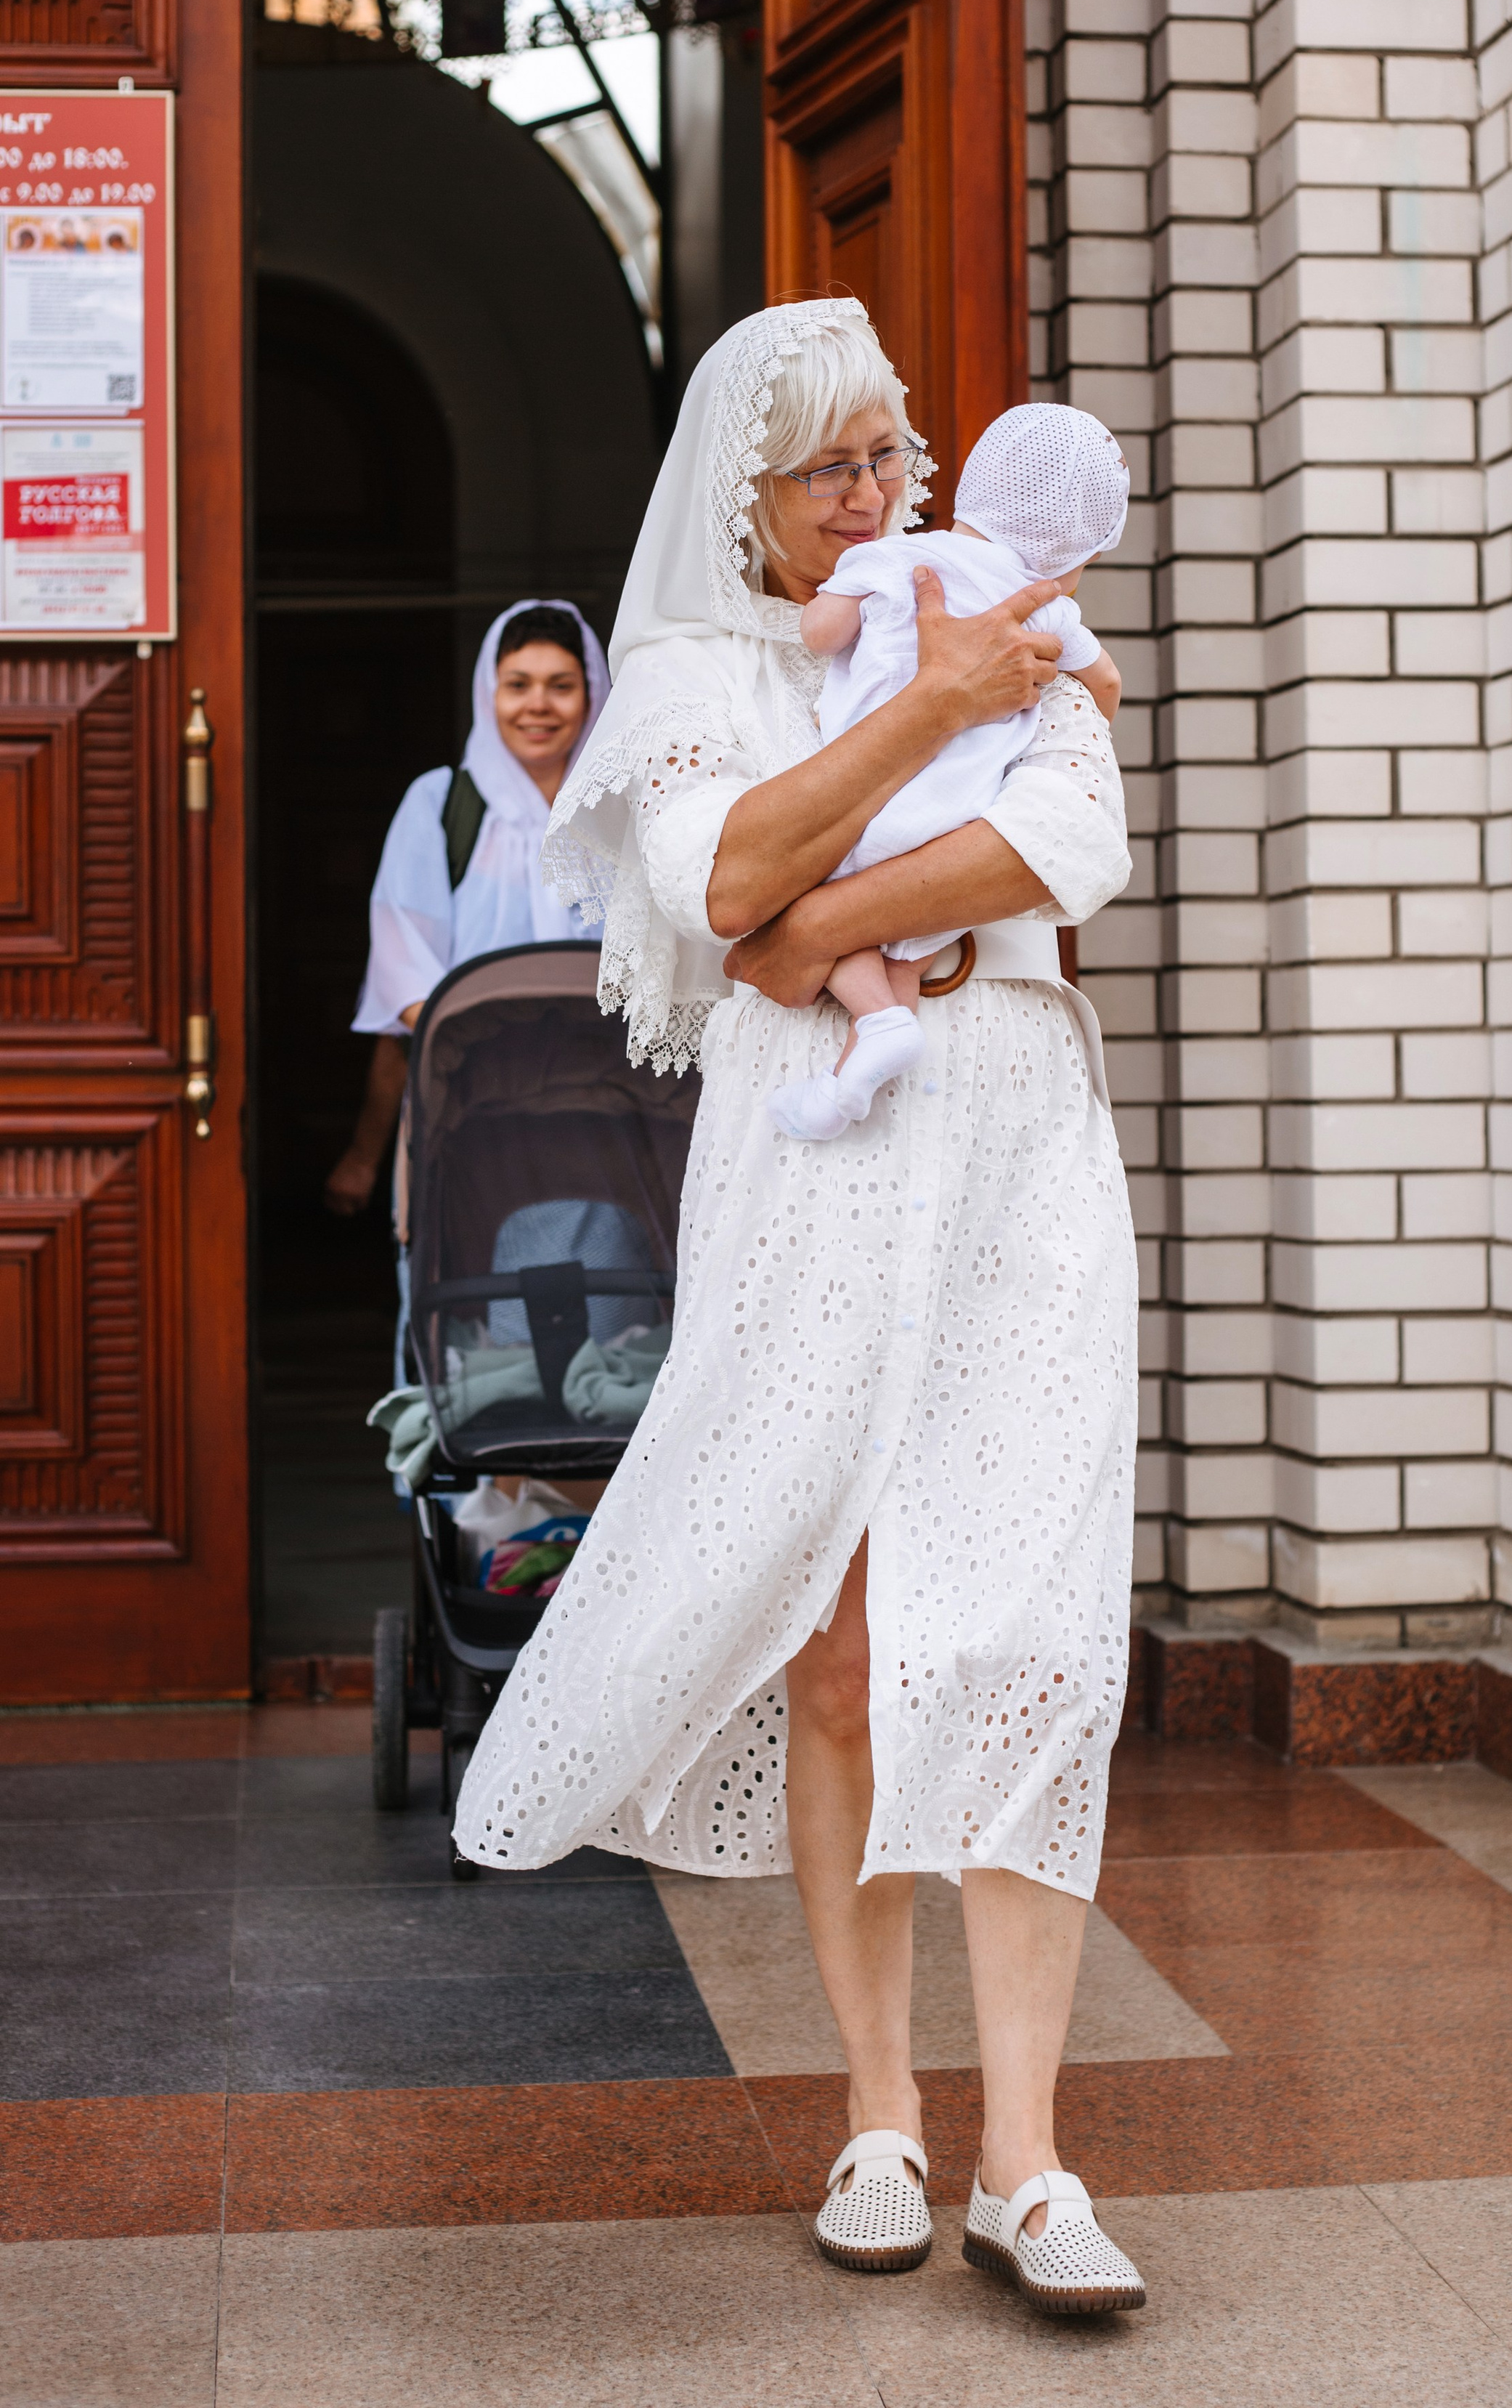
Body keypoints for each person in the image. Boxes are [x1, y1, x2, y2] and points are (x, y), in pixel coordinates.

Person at [457, 301, 1145, 2319]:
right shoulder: (688, 667)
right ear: (743, 500)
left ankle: (1027, 2157)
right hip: (824, 1163)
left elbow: (1070, 842)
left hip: (1015, 1125)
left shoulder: (1005, 595)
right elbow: (714, 868)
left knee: (1027, 1635)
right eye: (831, 471)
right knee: (841, 1647)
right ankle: (877, 2113)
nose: (875, 496)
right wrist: (926, 719)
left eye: (890, 460)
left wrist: (816, 922)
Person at [768, 401, 1127, 1139]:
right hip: (963, 820)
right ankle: (874, 1042)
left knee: (817, 901)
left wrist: (850, 616)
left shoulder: (897, 559)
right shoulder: (1044, 610)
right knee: (910, 925)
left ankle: (876, 1027)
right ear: (1075, 555)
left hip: (870, 799)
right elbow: (1107, 687)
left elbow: (818, 631)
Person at [323, 600, 611, 1217]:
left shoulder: (620, 814)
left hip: (609, 1111)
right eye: (518, 686)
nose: (538, 705)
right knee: (470, 1294)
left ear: (593, 696)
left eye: (561, 686)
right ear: (489, 694)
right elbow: (405, 977)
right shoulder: (438, 806)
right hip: (472, 1111)